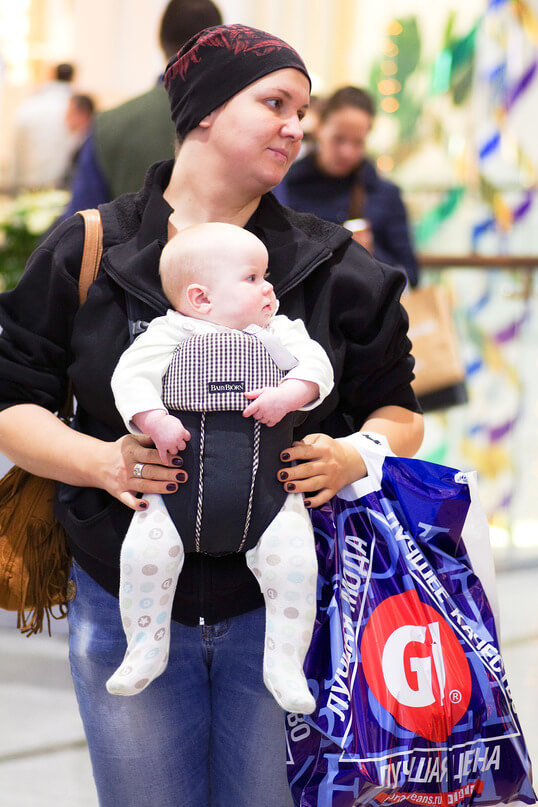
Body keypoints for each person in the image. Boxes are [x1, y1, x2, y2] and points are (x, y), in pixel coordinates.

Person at [0, 23, 423, 807]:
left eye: (303, 110)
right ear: (203, 110)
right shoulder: (90, 249)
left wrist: (352, 453)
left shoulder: (332, 265)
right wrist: (102, 460)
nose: (296, 127)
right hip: (120, 591)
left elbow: (399, 410)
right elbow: (12, 404)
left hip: (284, 605)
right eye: (275, 103)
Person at [107, 221, 333, 714]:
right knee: (144, 557)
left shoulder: (279, 332)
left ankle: (285, 663)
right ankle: (144, 647)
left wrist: (289, 395)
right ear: (201, 298)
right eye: (252, 278)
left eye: (266, 276)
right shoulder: (170, 333)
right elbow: (130, 379)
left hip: (270, 499)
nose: (269, 287)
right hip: (176, 498)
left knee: (295, 566)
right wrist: (155, 420)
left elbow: (317, 366)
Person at [61, 0, 222, 216]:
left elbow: (83, 220)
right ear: (222, 44)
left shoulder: (109, 125)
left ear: (160, 41)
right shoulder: (244, 120)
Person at [274, 85, 420, 287]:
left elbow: (410, 276)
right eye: (339, 139)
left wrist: (370, 254)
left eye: (358, 143)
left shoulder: (385, 194)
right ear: (320, 129)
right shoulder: (285, 185)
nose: (347, 153)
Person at [12, 62, 78, 189]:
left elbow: (17, 146)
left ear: (52, 75)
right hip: (61, 184)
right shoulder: (75, 108)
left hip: (29, 182)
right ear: (73, 77)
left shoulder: (29, 105)